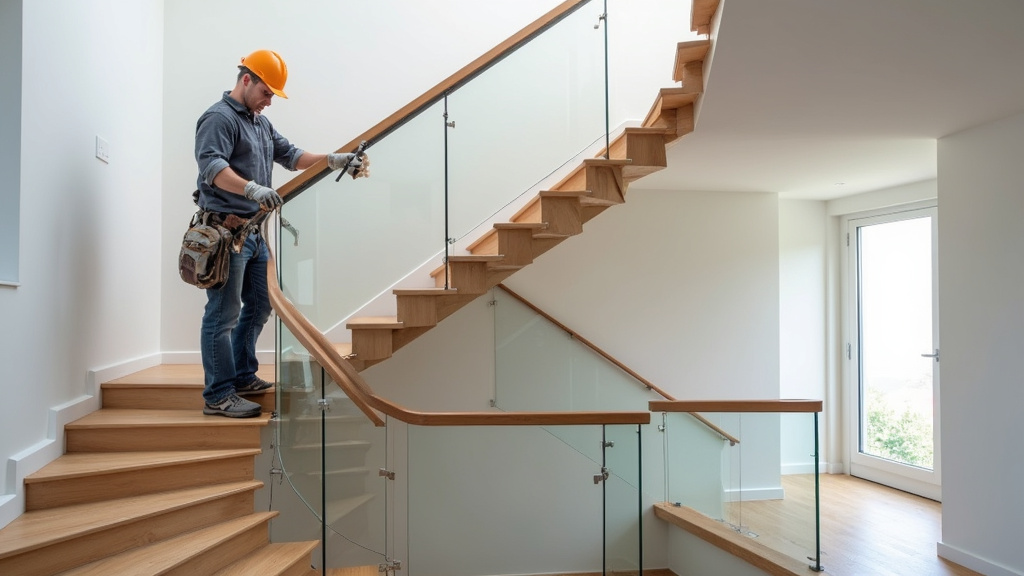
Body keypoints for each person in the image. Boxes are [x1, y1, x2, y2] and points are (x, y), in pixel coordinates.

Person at [194, 49, 365, 418]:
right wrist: (252, 189)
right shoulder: (219, 118)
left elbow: (291, 155)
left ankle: (241, 375)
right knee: (223, 314)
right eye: (267, 92)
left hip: (254, 234)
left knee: (259, 305)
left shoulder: (259, 122)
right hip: (225, 233)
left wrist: (332, 159)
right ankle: (218, 394)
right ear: (246, 80)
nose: (270, 101)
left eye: (273, 95)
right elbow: (212, 167)